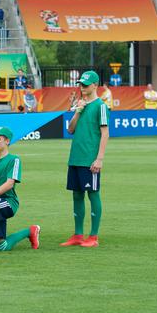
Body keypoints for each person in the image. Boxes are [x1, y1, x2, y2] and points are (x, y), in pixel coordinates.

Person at [61, 71, 109, 248]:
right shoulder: (79, 105)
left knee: (93, 194)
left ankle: (93, 236)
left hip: (90, 159)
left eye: (86, 84)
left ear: (95, 85)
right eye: (81, 84)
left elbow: (105, 133)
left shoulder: (100, 106)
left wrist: (99, 159)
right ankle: (78, 234)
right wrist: (77, 111)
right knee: (77, 195)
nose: (82, 87)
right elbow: (71, 130)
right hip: (75, 158)